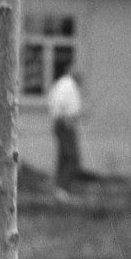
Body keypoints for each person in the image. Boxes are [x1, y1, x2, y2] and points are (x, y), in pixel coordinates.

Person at [48, 71, 84, 201]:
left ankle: (58, 187)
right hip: (65, 123)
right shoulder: (68, 86)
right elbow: (65, 106)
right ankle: (62, 188)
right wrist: (67, 119)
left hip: (61, 122)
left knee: (63, 156)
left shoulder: (61, 84)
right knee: (72, 157)